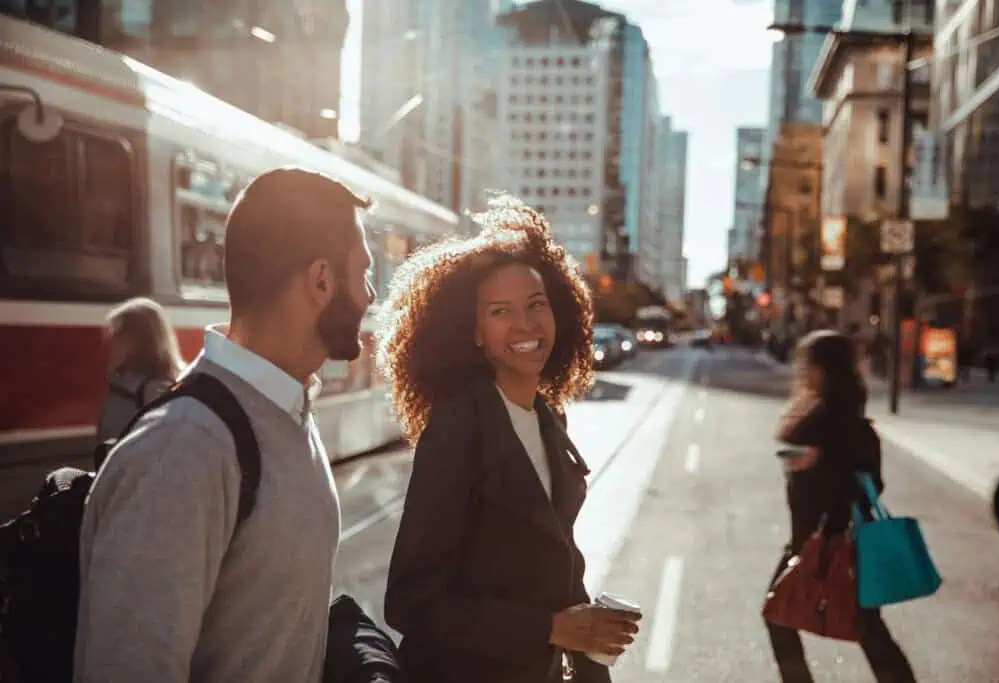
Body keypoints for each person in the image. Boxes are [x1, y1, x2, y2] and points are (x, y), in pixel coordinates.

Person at [74, 167, 376, 682]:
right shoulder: (184, 451)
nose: (370, 295)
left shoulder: (287, 413)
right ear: (322, 280)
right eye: (363, 273)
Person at [375, 196, 640, 683]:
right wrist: (552, 629)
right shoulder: (456, 430)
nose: (525, 325)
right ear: (473, 332)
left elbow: (564, 574)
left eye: (536, 304)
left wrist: (587, 642)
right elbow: (411, 603)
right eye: (500, 312)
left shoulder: (547, 418)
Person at [768, 331, 917, 683]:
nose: (803, 371)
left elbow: (862, 484)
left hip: (827, 542)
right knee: (867, 629)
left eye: (808, 364)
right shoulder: (841, 416)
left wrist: (816, 465)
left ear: (824, 369)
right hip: (833, 541)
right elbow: (872, 480)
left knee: (780, 614)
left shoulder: (833, 421)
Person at [95, 297, 184, 447]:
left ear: (141, 339)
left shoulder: (156, 390)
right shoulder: (121, 379)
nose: (112, 339)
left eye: (120, 333)